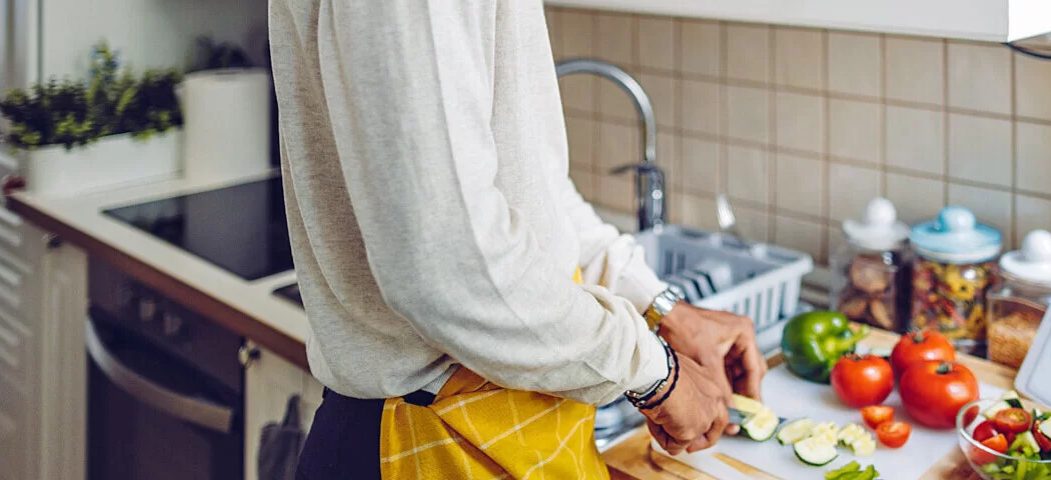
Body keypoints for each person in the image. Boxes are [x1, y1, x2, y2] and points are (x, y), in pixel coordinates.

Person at [267, 0, 768, 478]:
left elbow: (532, 186)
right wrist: (654, 372)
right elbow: (449, 267)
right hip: (427, 438)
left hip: (506, 426)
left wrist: (657, 305)